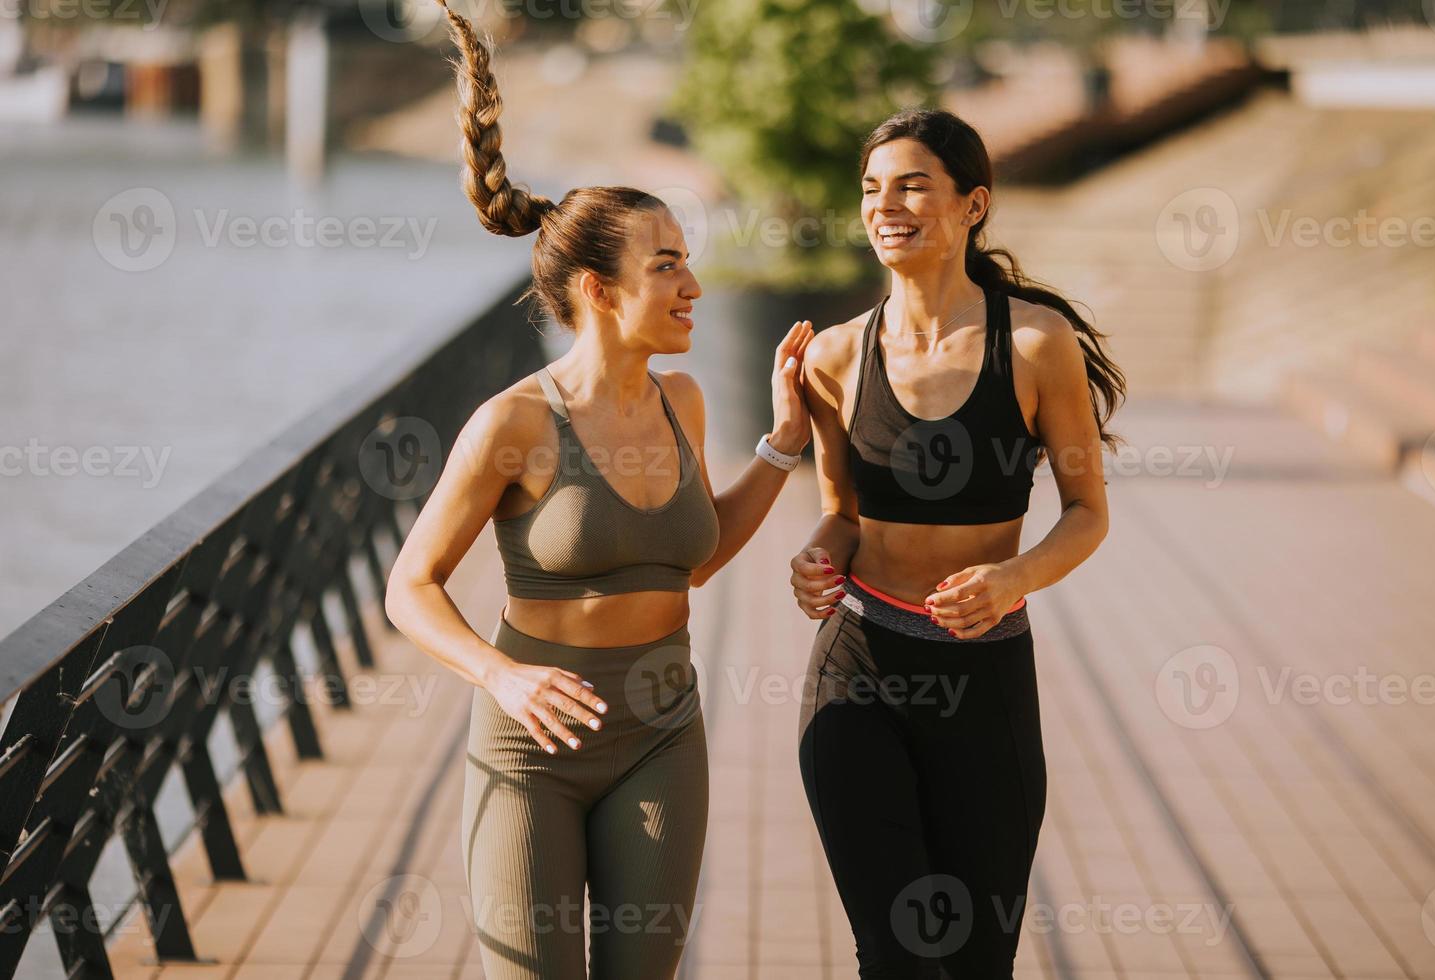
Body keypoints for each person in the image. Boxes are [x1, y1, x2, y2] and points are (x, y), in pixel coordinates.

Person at [384, 5, 815, 977]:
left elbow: (691, 559)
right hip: (532, 743)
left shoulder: (686, 403)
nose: (693, 283)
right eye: (666, 264)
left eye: (689, 260)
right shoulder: (514, 424)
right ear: (596, 289)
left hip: (664, 727)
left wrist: (783, 446)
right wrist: (500, 673)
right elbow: (409, 585)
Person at [790, 107, 1126, 978]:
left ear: (973, 205)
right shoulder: (835, 356)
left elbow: (1087, 510)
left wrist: (1013, 578)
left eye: (912, 185)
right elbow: (842, 512)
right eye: (871, 188)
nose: (885, 205)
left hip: (985, 682)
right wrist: (814, 558)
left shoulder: (1035, 344)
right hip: (857, 669)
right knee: (897, 957)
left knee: (978, 960)